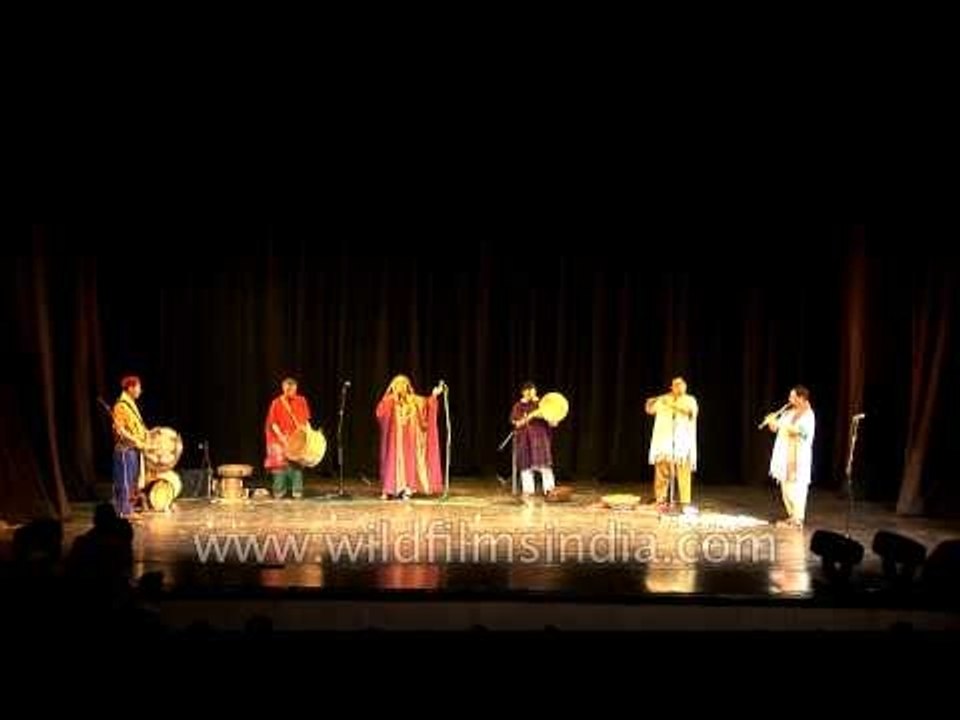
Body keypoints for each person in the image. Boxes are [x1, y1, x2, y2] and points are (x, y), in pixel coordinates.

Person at [376, 374, 443, 499]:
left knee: (409, 463)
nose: (401, 387)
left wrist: (434, 395)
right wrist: (388, 397)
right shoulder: (390, 400)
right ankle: (389, 489)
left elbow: (427, 407)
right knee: (393, 463)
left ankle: (407, 489)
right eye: (398, 384)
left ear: (408, 386)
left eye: (403, 384)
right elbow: (380, 413)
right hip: (395, 442)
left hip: (410, 441)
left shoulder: (414, 401)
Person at [764, 385, 815, 527]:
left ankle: (798, 518)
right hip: (785, 454)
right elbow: (775, 428)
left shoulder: (809, 415)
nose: (789, 399)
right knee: (785, 487)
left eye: (792, 397)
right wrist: (771, 422)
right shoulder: (789, 412)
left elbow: (801, 432)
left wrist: (780, 425)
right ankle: (791, 516)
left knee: (797, 487)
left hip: (798, 456)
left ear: (802, 398)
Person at [644, 376, 698, 510]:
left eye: (681, 384)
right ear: (671, 387)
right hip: (664, 441)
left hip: (682, 443)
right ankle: (660, 499)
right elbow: (649, 411)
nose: (679, 386)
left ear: (685, 387)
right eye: (676, 384)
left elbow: (690, 412)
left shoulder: (690, 400)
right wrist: (650, 402)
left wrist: (671, 404)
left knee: (683, 471)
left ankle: (685, 502)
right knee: (662, 472)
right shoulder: (664, 399)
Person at [263, 377, 312, 499]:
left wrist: (308, 435)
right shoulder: (276, 403)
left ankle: (297, 491)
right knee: (280, 465)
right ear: (283, 388)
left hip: (296, 437)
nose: (291, 391)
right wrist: (282, 438)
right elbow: (273, 423)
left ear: (296, 388)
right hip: (279, 439)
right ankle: (279, 491)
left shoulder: (301, 400)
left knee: (296, 463)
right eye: (288, 389)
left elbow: (305, 420)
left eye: (293, 389)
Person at [510, 382, 557, 500]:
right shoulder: (518, 406)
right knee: (526, 466)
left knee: (545, 466)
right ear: (523, 392)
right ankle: (528, 491)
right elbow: (517, 424)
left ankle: (550, 490)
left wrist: (546, 416)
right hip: (524, 439)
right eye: (527, 390)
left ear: (535, 391)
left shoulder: (543, 404)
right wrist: (531, 416)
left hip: (541, 439)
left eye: (532, 390)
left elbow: (554, 423)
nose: (530, 393)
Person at [111, 375, 147, 518]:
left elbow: (136, 426)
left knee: (131, 481)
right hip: (125, 450)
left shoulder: (131, 404)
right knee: (124, 481)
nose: (140, 390)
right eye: (138, 387)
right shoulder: (121, 406)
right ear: (130, 388)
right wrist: (134, 440)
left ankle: (129, 509)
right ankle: (124, 511)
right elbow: (120, 430)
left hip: (133, 450)